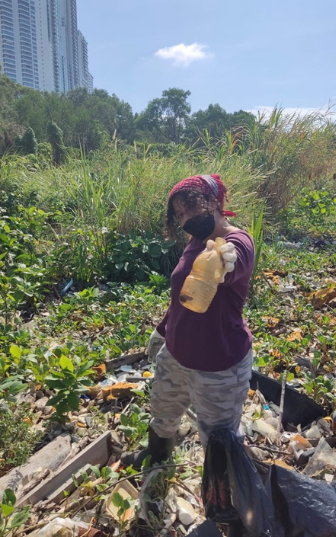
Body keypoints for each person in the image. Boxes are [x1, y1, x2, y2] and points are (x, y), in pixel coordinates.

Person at [122, 174, 255, 469]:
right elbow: (183, 294)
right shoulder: (195, 242)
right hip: (176, 355)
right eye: (179, 215)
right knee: (163, 411)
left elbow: (232, 265)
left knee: (218, 439)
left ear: (212, 202)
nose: (186, 220)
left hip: (218, 366)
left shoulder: (237, 242)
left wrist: (225, 261)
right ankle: (157, 454)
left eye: (191, 208)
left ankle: (223, 501)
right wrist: (161, 330)